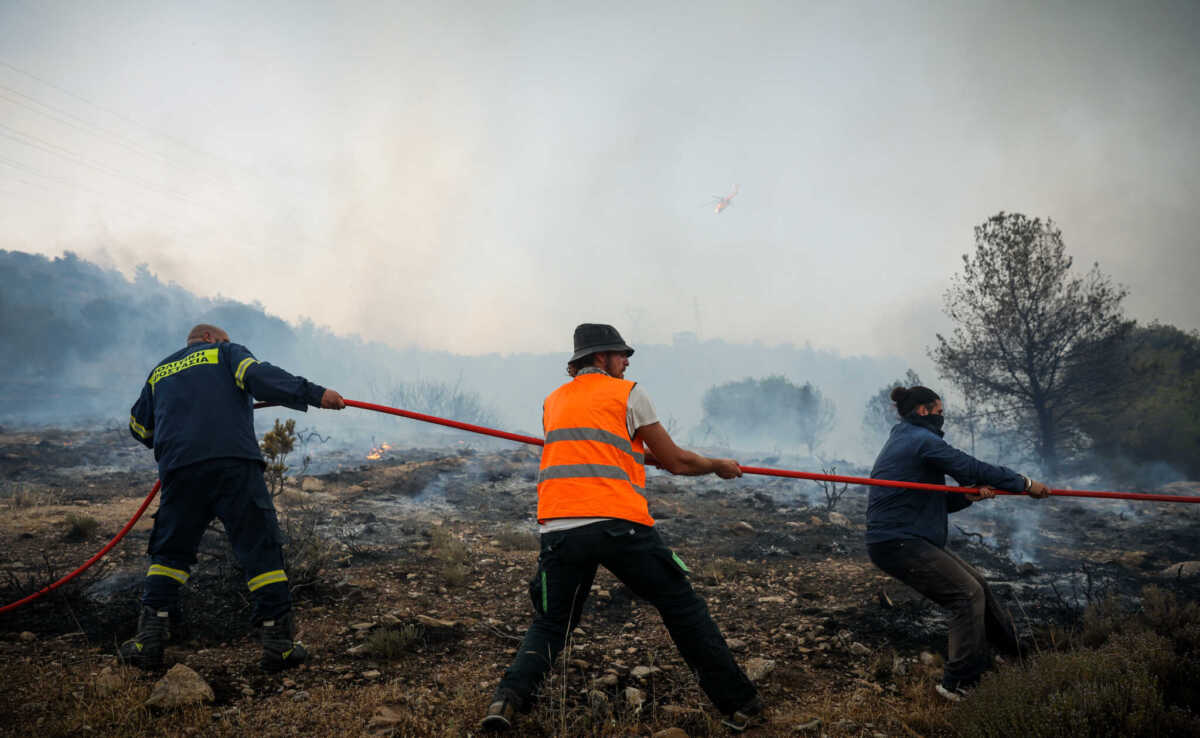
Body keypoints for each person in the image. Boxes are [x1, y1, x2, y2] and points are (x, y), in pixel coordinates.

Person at [481, 323, 762, 733]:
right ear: (600, 358)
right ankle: (741, 706)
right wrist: (718, 466)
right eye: (621, 355)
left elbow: (599, 450)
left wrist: (635, 455)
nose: (627, 362)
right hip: (618, 524)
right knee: (681, 606)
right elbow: (677, 461)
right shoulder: (629, 393)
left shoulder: (552, 401)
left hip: (559, 528)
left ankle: (506, 701)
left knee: (552, 622)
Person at [120, 323, 345, 672]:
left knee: (170, 553)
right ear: (211, 338)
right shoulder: (225, 352)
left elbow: (139, 427)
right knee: (260, 548)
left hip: (180, 471)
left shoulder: (159, 371)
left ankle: (148, 640)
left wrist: (178, 428)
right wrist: (317, 394)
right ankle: (278, 644)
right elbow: (259, 377)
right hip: (233, 465)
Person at [866, 385, 1051, 701]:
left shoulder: (906, 438)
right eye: (939, 410)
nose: (942, 416)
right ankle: (958, 684)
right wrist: (1025, 483)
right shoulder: (920, 440)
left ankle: (1018, 659)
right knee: (966, 595)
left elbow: (932, 501)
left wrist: (966, 496)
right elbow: (972, 468)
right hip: (898, 540)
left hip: (908, 536)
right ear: (923, 411)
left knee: (978, 585)